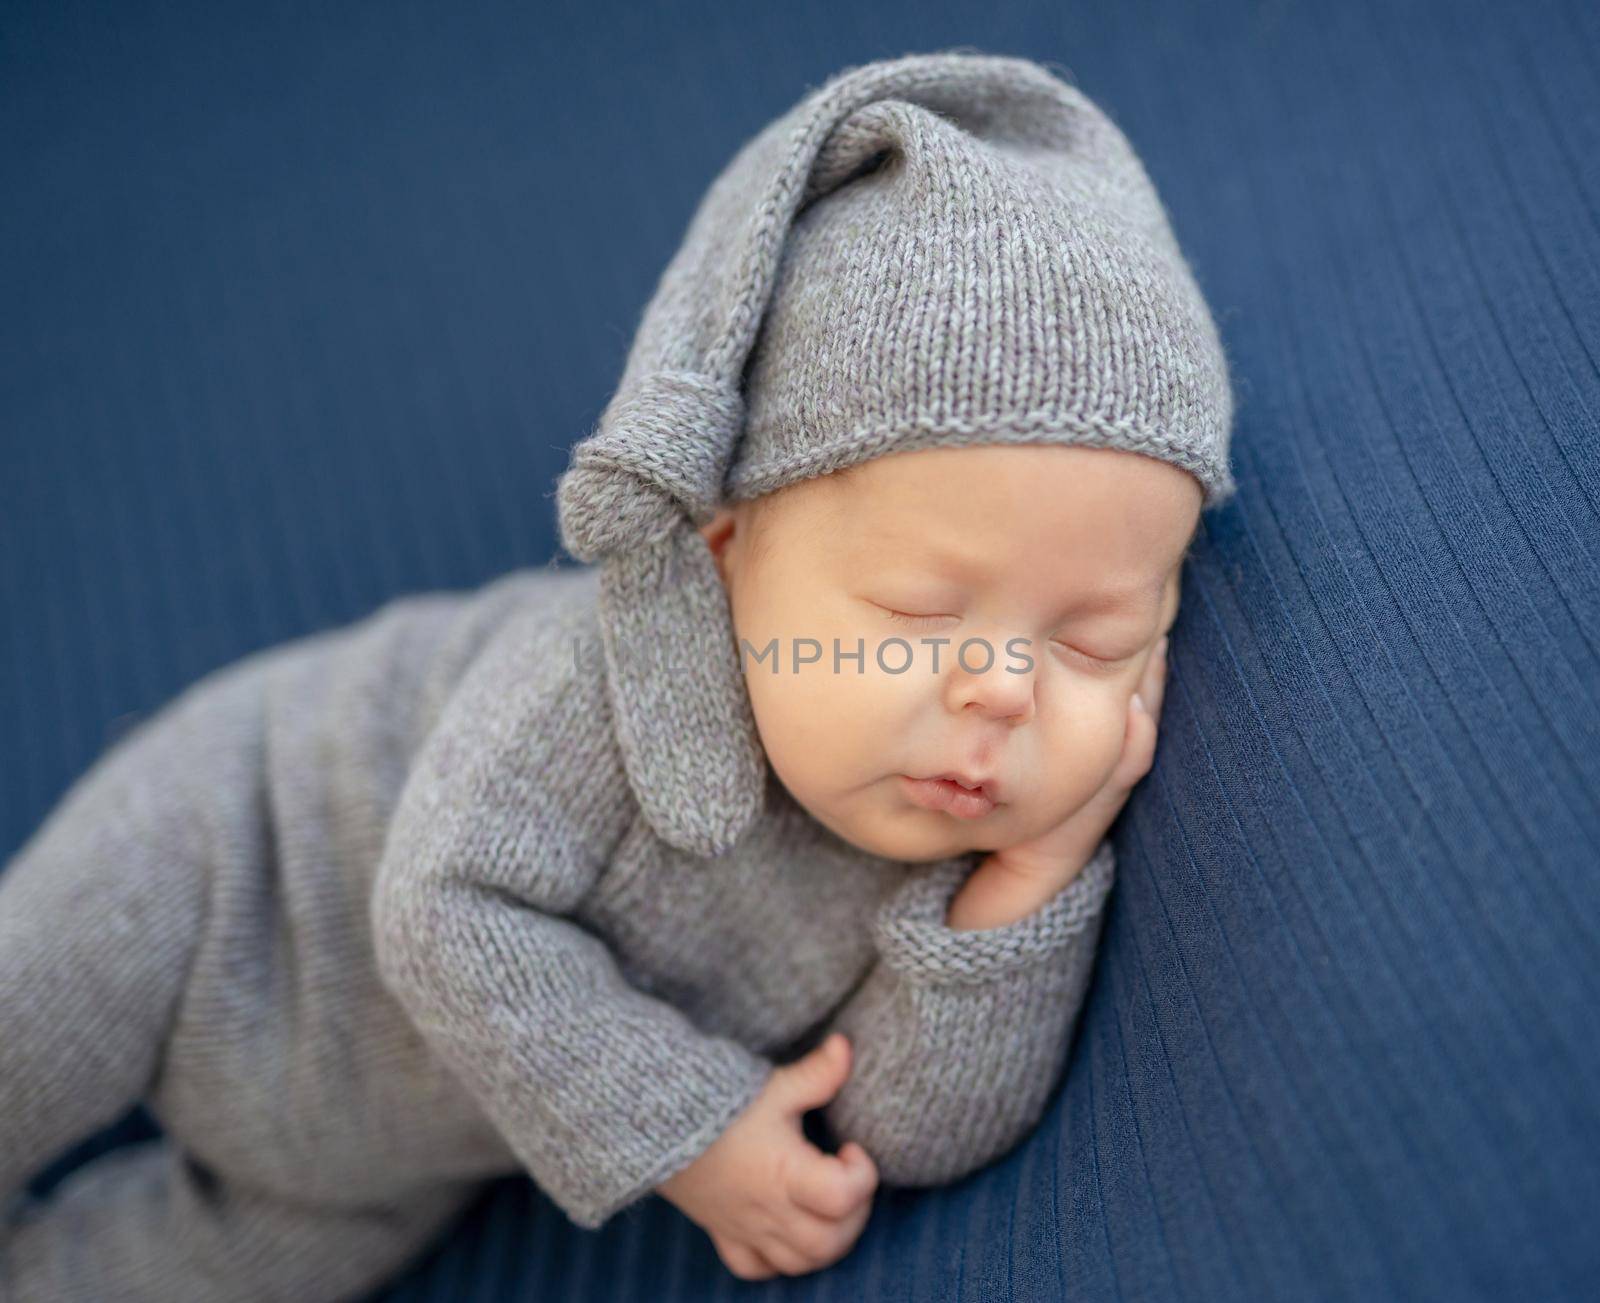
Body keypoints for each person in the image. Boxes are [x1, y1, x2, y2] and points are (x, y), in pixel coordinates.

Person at [0, 49, 1234, 1298]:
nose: (1003, 689)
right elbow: (442, 909)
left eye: (1093, 641)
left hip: (382, 1159)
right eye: (917, 610)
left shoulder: (947, 849)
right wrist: (688, 1125)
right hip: (230, 871)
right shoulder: (589, 682)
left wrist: (1032, 882)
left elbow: (909, 1127)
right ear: (723, 549)